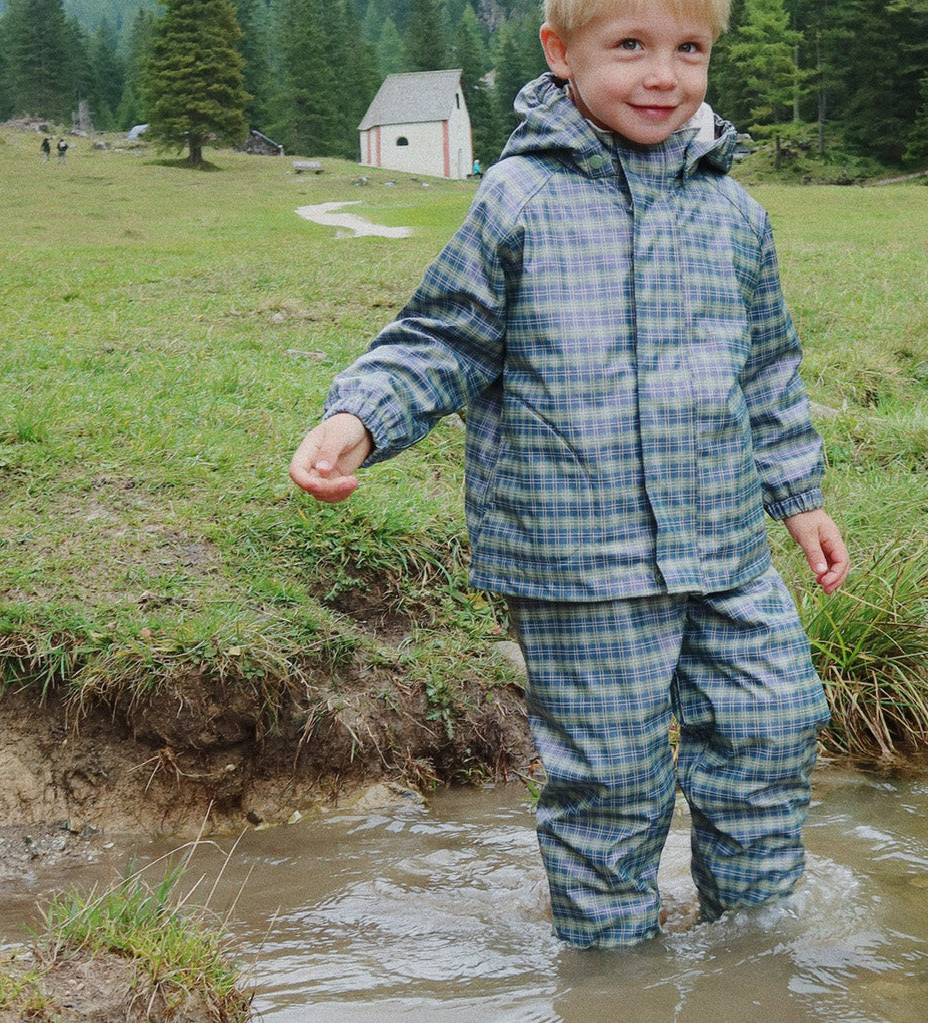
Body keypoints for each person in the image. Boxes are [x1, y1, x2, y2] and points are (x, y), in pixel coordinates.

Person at [289, 0, 848, 949]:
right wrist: (360, 417)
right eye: (630, 46)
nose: (662, 75)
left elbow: (768, 371)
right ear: (561, 53)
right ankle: (610, 971)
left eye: (689, 50)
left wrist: (799, 498)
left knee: (772, 721)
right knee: (613, 780)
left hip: (722, 543)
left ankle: (752, 949)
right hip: (576, 560)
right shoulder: (521, 197)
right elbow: (445, 336)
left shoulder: (734, 212)